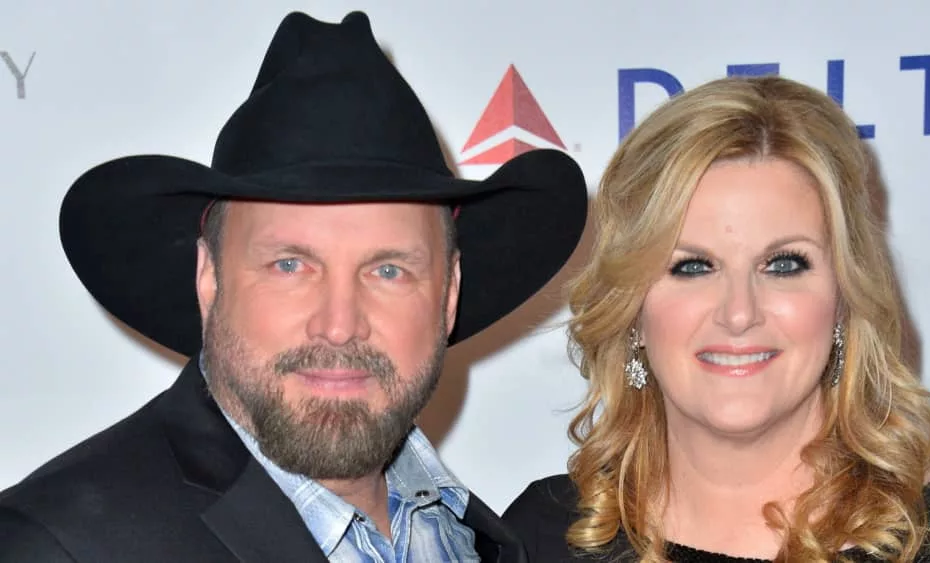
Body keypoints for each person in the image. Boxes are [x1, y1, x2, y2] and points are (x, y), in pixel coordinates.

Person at [0, 10, 588, 563]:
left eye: (388, 270)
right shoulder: (56, 545)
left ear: (449, 292)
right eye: (289, 265)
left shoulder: (479, 539)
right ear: (209, 278)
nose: (339, 325)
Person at [502, 74, 930, 562]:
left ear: (845, 296)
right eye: (692, 266)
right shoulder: (541, 536)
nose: (739, 313)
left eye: (783, 265)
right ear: (632, 310)